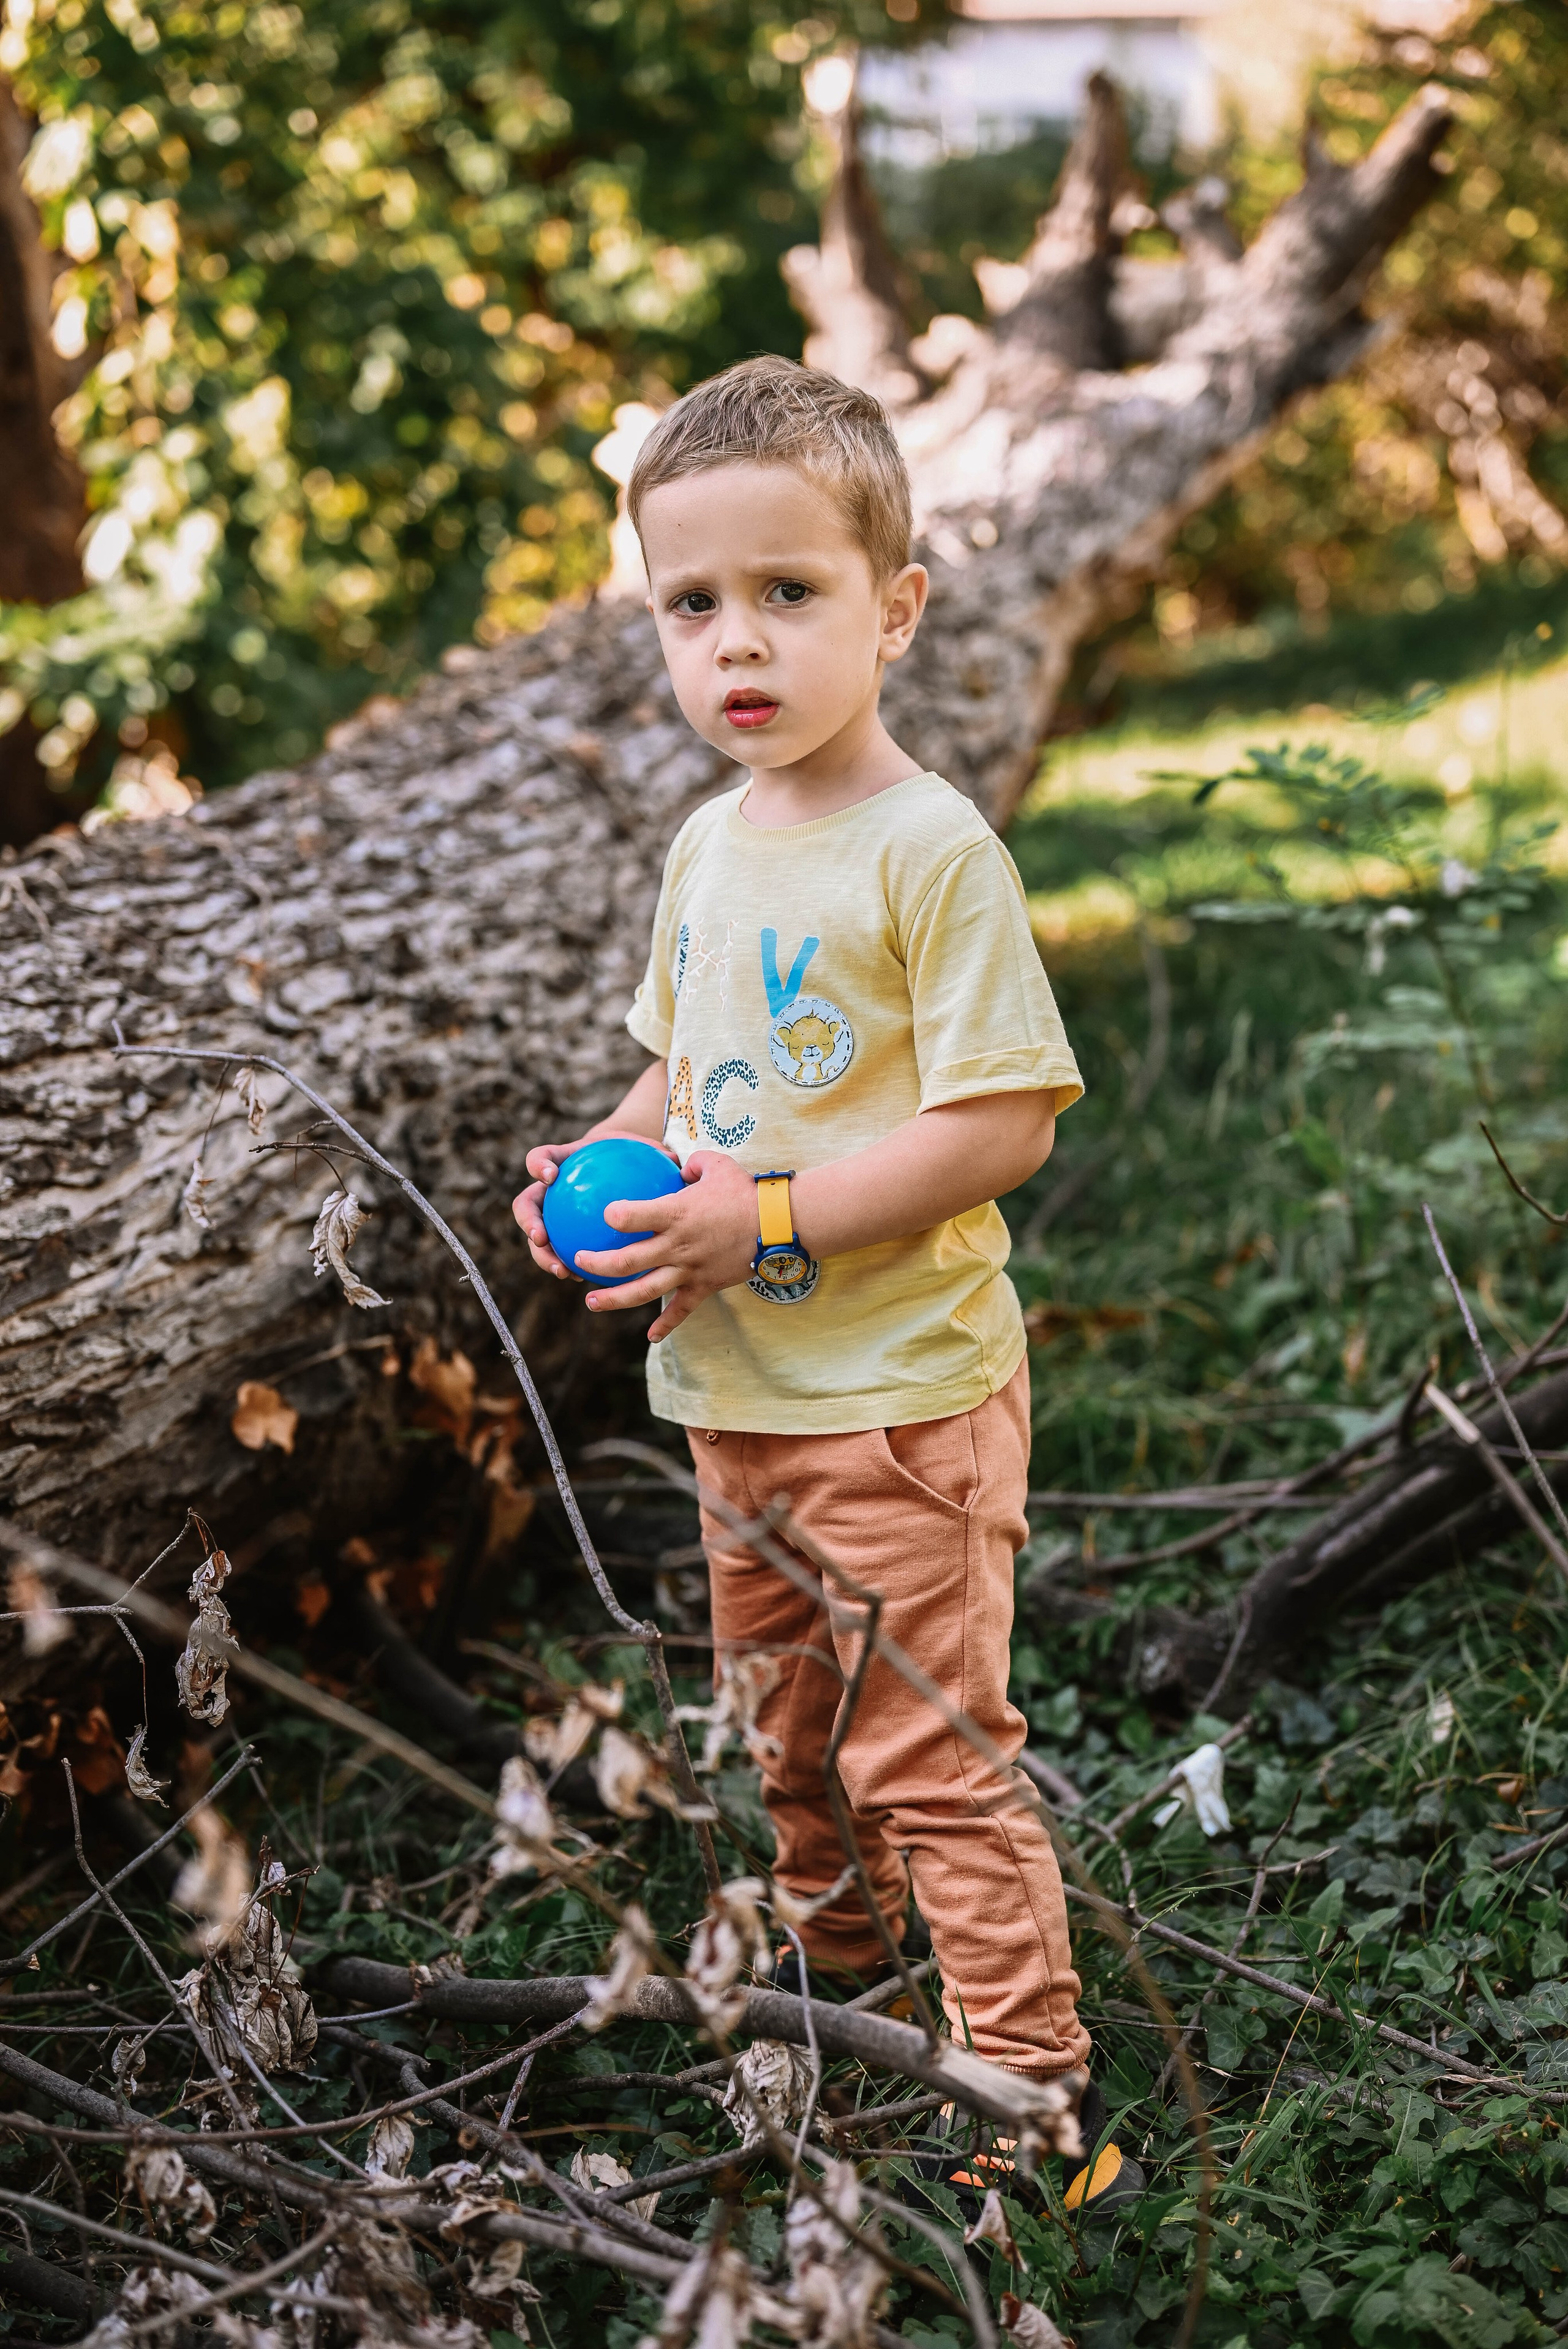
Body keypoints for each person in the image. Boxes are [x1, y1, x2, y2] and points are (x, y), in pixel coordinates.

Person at [513, 355, 1140, 2217]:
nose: (739, 644)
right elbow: (678, 1073)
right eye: (692, 604)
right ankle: (843, 1994)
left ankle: (1033, 2087)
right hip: (739, 1398)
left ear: (897, 607)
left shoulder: (932, 850)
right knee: (786, 1725)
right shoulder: (710, 846)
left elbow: (999, 1127)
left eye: (789, 593)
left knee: (929, 1752)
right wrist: (598, 1162)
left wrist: (760, 1219)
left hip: (901, 1398)